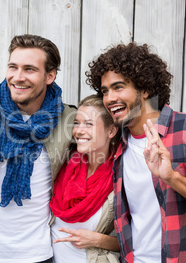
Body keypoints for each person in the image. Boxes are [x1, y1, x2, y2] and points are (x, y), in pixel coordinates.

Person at [86, 42, 186, 262]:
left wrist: (172, 178)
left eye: (119, 87)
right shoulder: (119, 144)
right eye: (105, 91)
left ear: (145, 88)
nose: (109, 99)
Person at [0, 34, 76, 263]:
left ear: (50, 75)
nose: (17, 77)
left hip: (38, 256)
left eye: (29, 69)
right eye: (13, 67)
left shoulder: (69, 120)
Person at [50, 94, 120, 263]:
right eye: (76, 123)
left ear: (111, 130)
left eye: (89, 124)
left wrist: (98, 240)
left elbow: (138, 239)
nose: (79, 131)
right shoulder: (62, 163)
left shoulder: (120, 177)